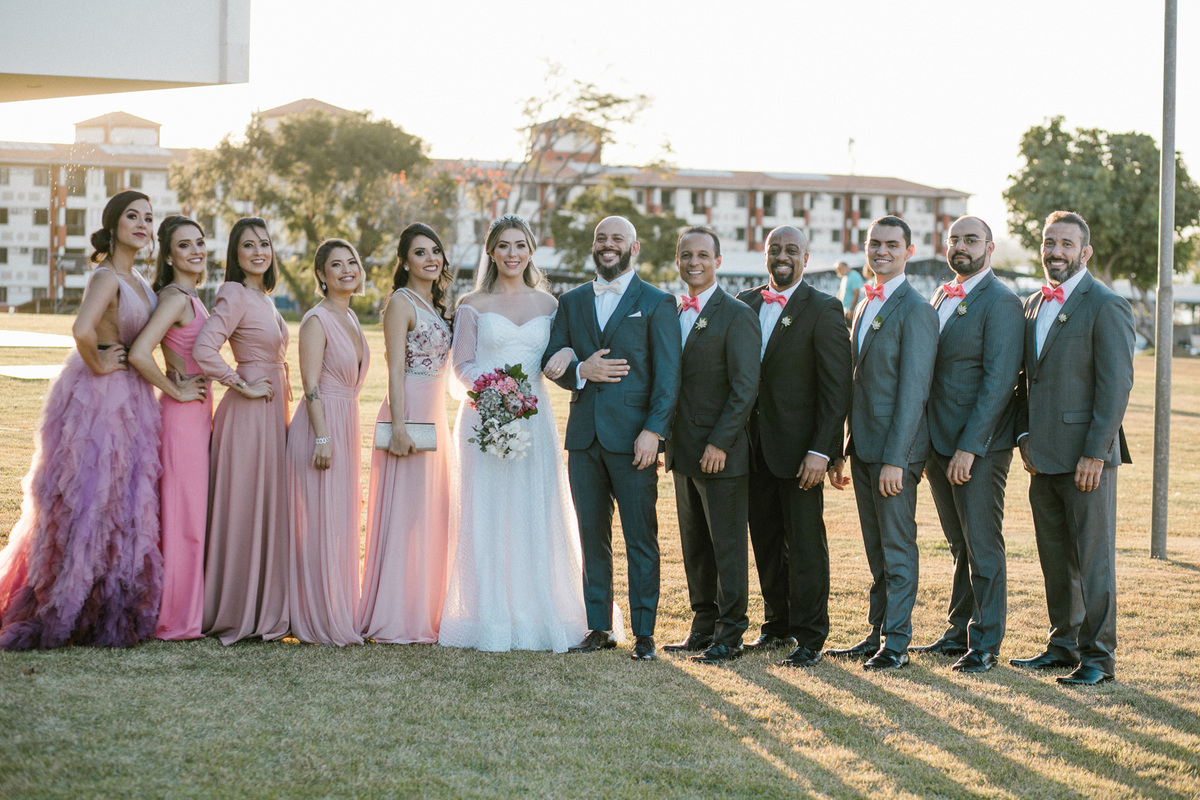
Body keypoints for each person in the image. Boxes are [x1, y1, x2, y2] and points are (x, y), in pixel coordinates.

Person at [0, 190, 163, 650]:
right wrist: (99, 364)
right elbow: (81, 329)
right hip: (101, 395)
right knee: (92, 493)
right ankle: (69, 597)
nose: (142, 224)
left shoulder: (138, 278)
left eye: (148, 218)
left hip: (133, 393)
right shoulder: (106, 276)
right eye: (132, 216)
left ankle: (107, 594)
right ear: (113, 225)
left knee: (122, 497)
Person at [439, 215, 588, 653]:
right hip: (484, 417)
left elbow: (565, 347)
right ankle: (490, 614)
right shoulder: (473, 304)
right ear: (491, 251)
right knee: (486, 510)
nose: (512, 254)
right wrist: (494, 392)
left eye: (520, 245)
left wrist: (565, 352)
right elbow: (462, 364)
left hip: (534, 420)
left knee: (533, 508)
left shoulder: (551, 305)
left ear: (530, 251)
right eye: (503, 245)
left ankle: (536, 612)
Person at [543, 215, 681, 660]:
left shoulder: (657, 302)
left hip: (635, 440)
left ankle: (644, 634)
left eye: (617, 238)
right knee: (591, 537)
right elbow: (552, 359)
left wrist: (653, 432)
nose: (608, 244)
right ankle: (599, 627)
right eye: (601, 238)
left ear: (633, 247)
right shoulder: (571, 301)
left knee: (640, 537)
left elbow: (668, 377)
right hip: (584, 440)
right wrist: (581, 370)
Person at [1010, 210, 1134, 686]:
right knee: (1056, 558)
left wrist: (1095, 453)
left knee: (1092, 561)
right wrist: (1023, 436)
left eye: (1066, 244)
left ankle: (1098, 659)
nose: (1056, 251)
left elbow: (1116, 385)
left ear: (1085, 252)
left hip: (1087, 459)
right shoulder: (1031, 305)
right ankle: (1062, 646)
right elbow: (1026, 381)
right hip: (1041, 458)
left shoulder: (1106, 304)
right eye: (1049, 242)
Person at [910, 216, 1022, 673]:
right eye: (954, 239)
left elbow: (999, 382)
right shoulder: (942, 294)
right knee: (959, 543)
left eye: (971, 239)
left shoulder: (1002, 302)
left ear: (989, 248)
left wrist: (970, 448)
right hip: (938, 442)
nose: (961, 246)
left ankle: (986, 642)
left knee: (982, 544)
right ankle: (958, 633)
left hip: (977, 448)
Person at [825, 216, 937, 670]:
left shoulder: (917, 309)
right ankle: (876, 632)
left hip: (895, 454)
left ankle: (897, 643)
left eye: (892, 244)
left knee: (897, 547)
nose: (882, 251)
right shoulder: (864, 303)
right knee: (876, 550)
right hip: (863, 447)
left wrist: (896, 459)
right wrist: (841, 447)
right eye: (875, 243)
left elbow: (914, 392)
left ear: (909, 251)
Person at [737, 226, 851, 668]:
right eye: (775, 249)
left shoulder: (824, 308)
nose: (782, 256)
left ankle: (810, 635)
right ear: (765, 255)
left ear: (806, 256)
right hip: (751, 449)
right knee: (765, 540)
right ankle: (776, 624)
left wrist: (823, 450)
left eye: (791, 250)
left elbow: (836, 388)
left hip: (802, 452)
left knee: (804, 545)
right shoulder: (745, 302)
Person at [663, 226, 759, 665]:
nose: (694, 262)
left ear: (718, 261)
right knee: (695, 546)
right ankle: (702, 626)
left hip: (721, 454)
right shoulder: (672, 312)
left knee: (727, 547)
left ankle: (731, 632)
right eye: (687, 255)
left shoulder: (736, 314)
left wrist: (720, 442)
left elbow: (745, 387)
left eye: (703, 255)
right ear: (678, 261)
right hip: (682, 451)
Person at [194, 217, 290, 645]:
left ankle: (262, 602)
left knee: (265, 503)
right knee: (244, 506)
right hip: (248, 416)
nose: (258, 251)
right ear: (235, 253)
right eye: (248, 245)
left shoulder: (263, 297)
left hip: (272, 412)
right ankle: (235, 607)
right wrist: (240, 384)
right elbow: (204, 348)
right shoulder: (233, 292)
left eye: (264, 244)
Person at [358, 223, 454, 644]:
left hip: (436, 414)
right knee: (405, 512)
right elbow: (394, 369)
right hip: (410, 410)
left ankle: (425, 608)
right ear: (405, 261)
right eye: (420, 252)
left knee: (429, 512)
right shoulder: (400, 302)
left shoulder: (435, 303)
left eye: (435, 251)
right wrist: (397, 427)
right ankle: (395, 615)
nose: (430, 259)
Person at [128, 215, 211, 641]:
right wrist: (174, 390)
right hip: (181, 418)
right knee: (183, 520)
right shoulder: (175, 299)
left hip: (198, 416)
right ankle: (175, 619)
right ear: (169, 255)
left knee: (191, 518)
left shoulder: (193, 297)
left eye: (200, 242)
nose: (196, 250)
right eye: (184, 245)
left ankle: (186, 611)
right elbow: (140, 352)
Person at [286, 239, 369, 646]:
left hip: (346, 421)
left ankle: (340, 608)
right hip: (321, 427)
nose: (346, 269)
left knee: (339, 521)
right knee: (319, 522)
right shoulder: (316, 320)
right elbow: (310, 384)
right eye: (336, 264)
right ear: (321, 275)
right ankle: (317, 615)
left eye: (351, 262)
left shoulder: (350, 316)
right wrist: (322, 436)